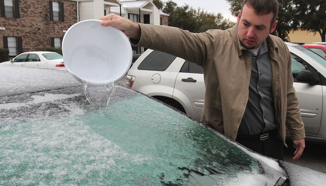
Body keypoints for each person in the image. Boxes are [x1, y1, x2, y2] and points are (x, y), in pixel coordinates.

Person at [99, 0, 305, 161]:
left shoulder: (280, 49)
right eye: (246, 24)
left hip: (273, 144)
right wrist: (136, 29)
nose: (250, 33)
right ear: (239, 16)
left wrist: (297, 131)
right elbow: (178, 39)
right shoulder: (216, 44)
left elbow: (287, 93)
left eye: (259, 28)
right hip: (232, 146)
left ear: (273, 26)